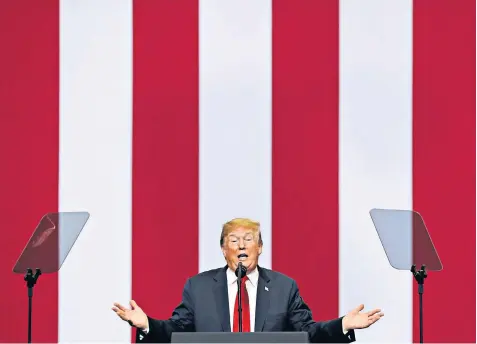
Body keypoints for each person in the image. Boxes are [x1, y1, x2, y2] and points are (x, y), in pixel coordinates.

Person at [112, 218, 383, 343]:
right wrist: (147, 325)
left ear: (260, 247)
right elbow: (177, 331)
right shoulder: (198, 287)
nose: (241, 245)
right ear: (223, 249)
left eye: (248, 239)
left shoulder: (283, 287)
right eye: (233, 240)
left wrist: (343, 325)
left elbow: (307, 333)